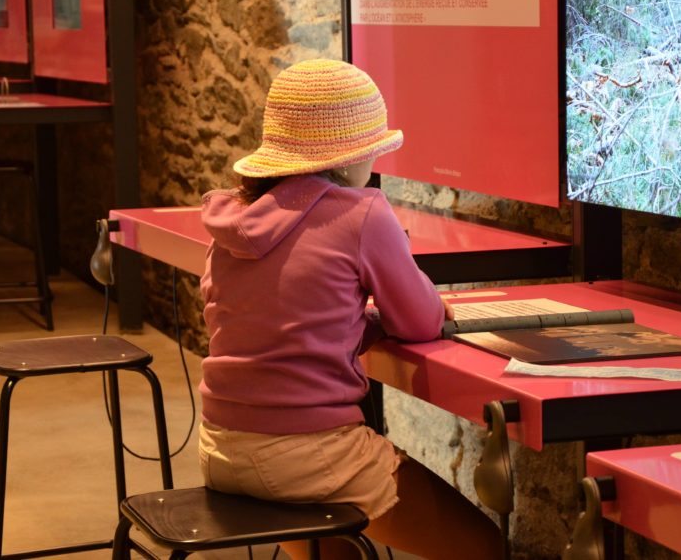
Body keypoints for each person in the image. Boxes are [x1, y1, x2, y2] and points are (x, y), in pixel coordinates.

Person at [198, 58, 502, 560]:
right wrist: (389, 313)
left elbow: (261, 321)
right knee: (484, 545)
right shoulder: (362, 213)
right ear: (349, 157)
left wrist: (354, 323)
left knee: (336, 553)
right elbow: (421, 322)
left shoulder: (229, 220)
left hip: (222, 450)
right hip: (307, 456)